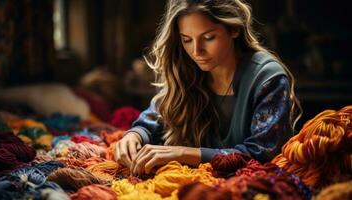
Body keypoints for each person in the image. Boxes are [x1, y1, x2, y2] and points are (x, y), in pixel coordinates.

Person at [114, 0, 302, 175]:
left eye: (209, 37)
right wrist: (135, 135)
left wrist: (183, 153)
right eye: (187, 40)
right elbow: (156, 117)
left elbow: (262, 154)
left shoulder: (268, 78)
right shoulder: (187, 69)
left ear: (234, 29)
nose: (196, 51)